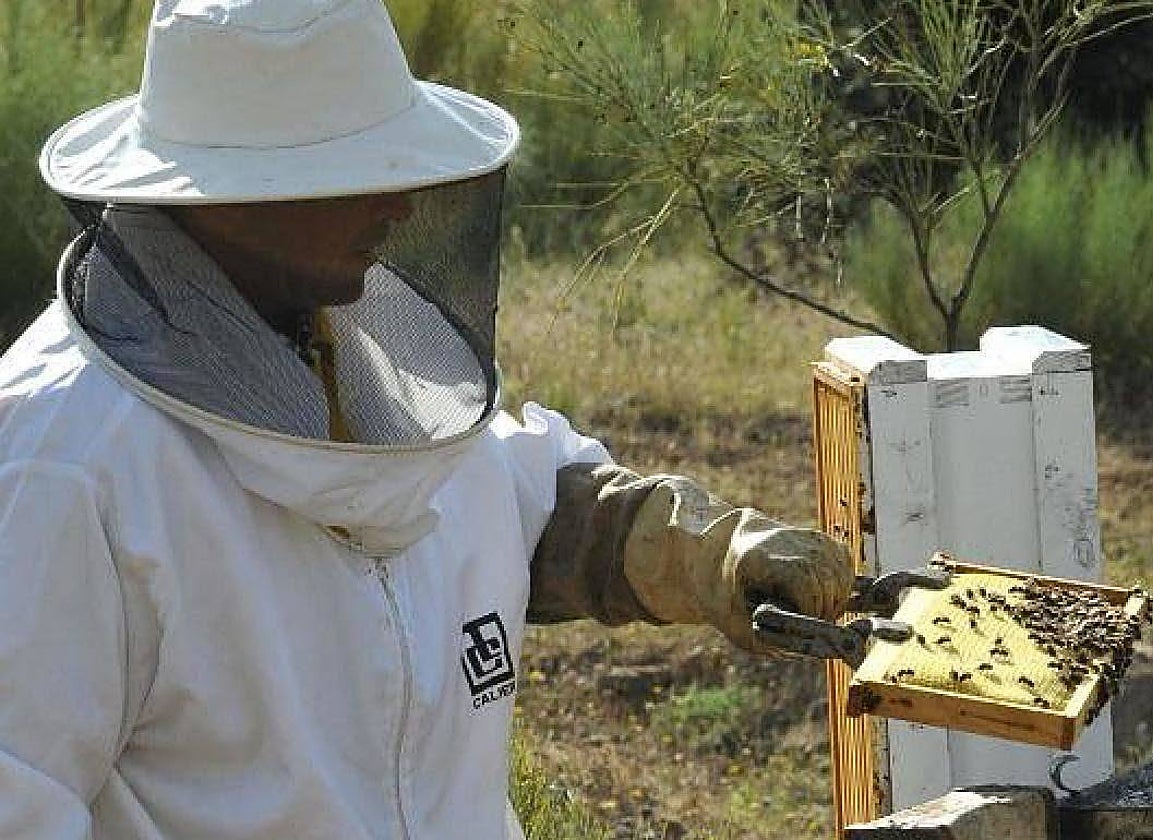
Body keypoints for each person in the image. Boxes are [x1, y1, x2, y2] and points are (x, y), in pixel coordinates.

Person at [0, 1, 854, 838]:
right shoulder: (62, 464)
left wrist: (701, 550)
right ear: (225, 197)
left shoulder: (338, 342)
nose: (401, 202)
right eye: (358, 172)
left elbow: (498, 500)